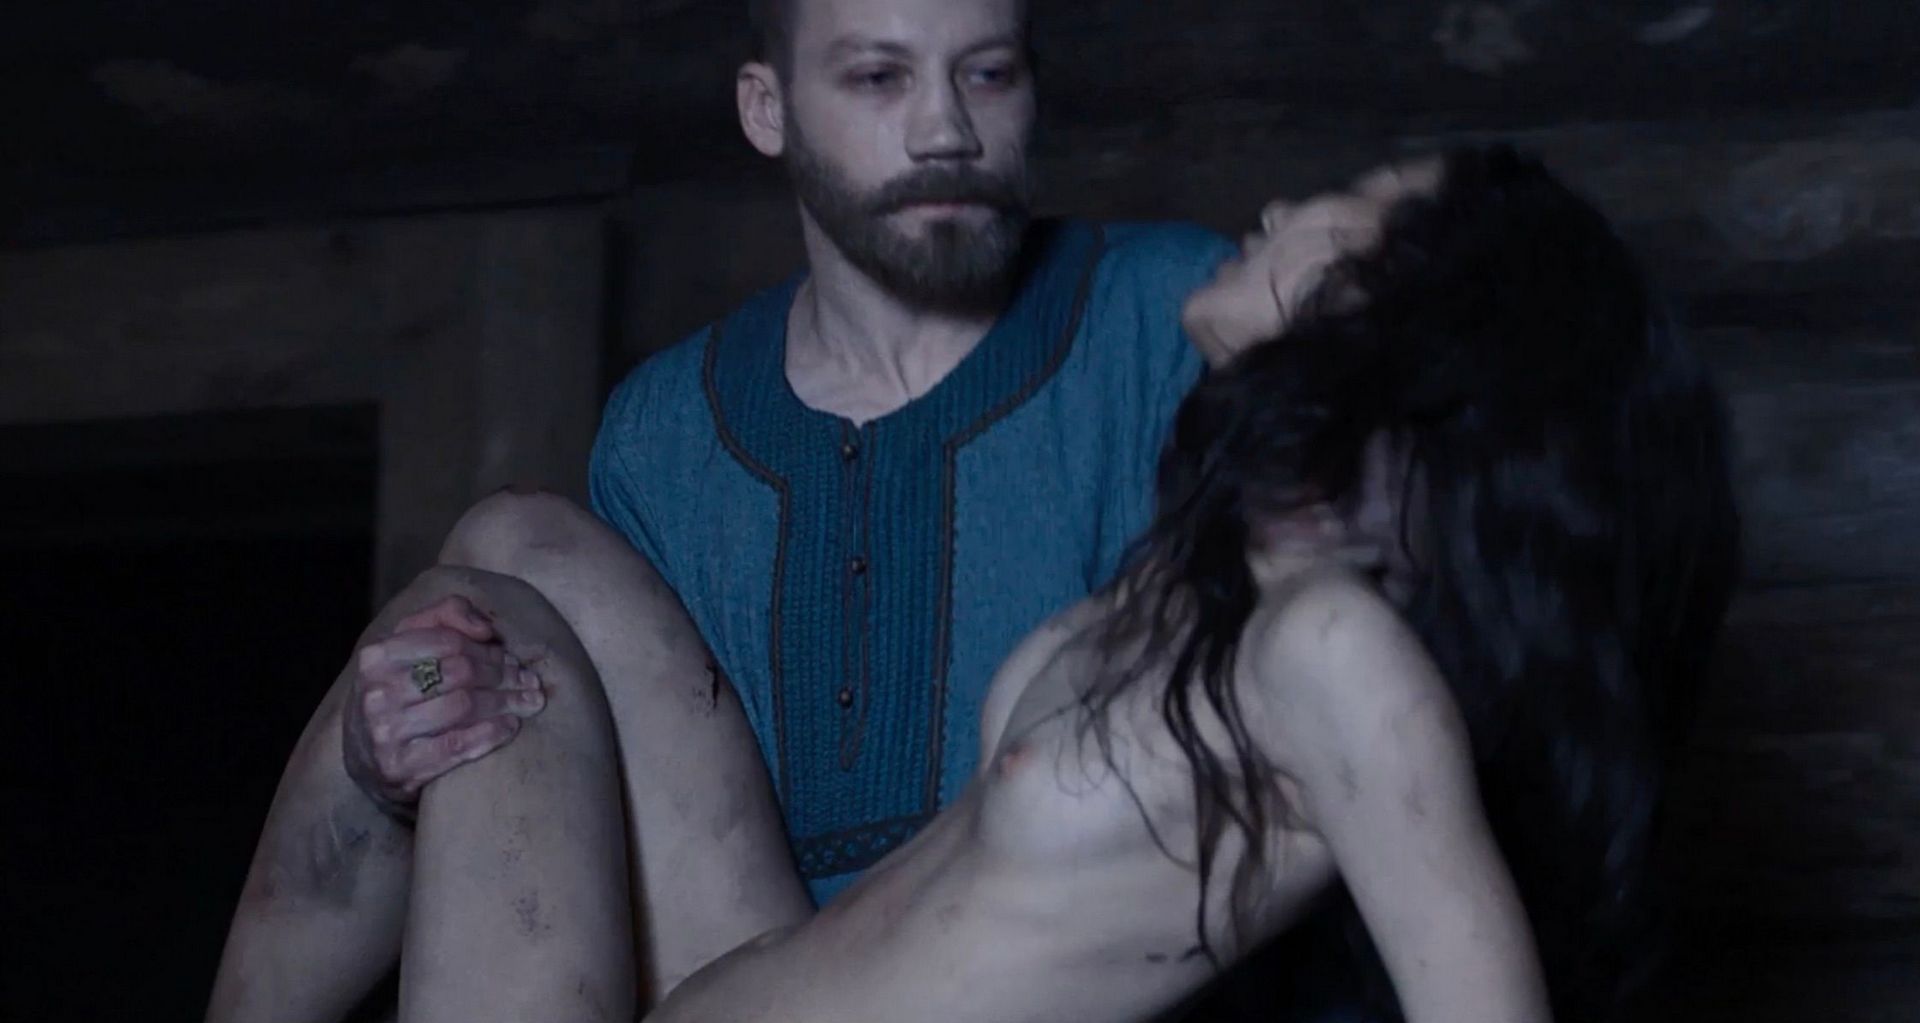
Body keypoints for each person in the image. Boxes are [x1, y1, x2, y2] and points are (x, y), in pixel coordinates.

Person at [209, 0, 1268, 1019]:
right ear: (769, 109)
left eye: (988, 73)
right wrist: (394, 752)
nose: (945, 128)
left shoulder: (1180, 313)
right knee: (504, 556)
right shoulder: (662, 431)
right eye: (879, 77)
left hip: (1053, 968)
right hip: (756, 980)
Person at [635, 146, 1741, 1023]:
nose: (1279, 208)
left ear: (1407, 312)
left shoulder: (1337, 652)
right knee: (548, 562)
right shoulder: (1200, 581)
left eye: (1351, 202)